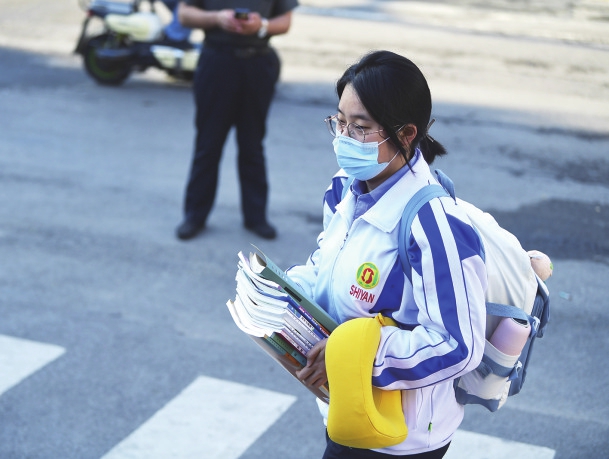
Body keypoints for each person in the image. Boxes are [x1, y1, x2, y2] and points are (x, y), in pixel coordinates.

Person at [288, 51, 488, 458]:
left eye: (360, 127)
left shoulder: (434, 224)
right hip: (348, 407)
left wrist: (351, 360)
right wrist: (281, 295)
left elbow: (457, 345)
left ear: (406, 133)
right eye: (339, 122)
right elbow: (328, 262)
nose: (343, 138)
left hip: (402, 437)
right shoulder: (345, 186)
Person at [175, 0, 298, 240]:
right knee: (207, 145)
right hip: (217, 62)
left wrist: (261, 25)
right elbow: (184, 14)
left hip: (258, 64)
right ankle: (194, 216)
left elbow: (285, 21)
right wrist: (217, 18)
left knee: (252, 146)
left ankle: (256, 217)